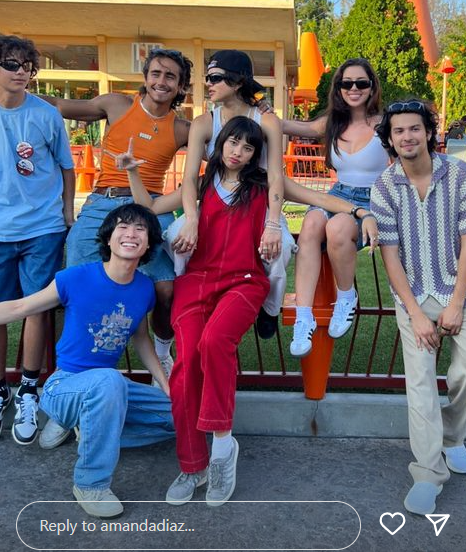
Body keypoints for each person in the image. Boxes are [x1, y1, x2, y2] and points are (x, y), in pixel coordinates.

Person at [170, 50, 378, 340]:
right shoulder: (205, 122)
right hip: (219, 196)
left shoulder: (265, 120)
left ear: (237, 81)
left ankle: (270, 307)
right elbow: (190, 178)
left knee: (280, 245)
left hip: (259, 195)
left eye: (216, 78)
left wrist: (272, 222)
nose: (208, 84)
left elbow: (276, 175)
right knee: (175, 236)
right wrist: (191, 218)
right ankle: (182, 296)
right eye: (208, 77)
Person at [119, 117, 271, 506]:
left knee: (215, 341)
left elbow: (310, 197)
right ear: (219, 144)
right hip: (197, 281)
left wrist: (359, 212)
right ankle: (192, 465)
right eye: (232, 142)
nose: (238, 151)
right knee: (186, 362)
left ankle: (222, 446)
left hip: (244, 281)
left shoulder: (263, 187)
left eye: (248, 147)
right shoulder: (201, 186)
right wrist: (134, 173)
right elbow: (151, 206)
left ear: (255, 155)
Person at [0, 203, 174, 517]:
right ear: (108, 237)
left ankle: (92, 429)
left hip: (108, 390)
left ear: (149, 243)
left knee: (182, 415)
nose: (131, 234)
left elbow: (141, 338)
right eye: (123, 226)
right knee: (109, 379)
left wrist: (166, 384)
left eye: (140, 229)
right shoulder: (75, 277)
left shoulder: (144, 289)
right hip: (63, 386)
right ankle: (90, 483)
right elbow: (20, 308)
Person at [41, 48, 192, 378]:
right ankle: (71, 369)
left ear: (181, 86)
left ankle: (162, 355)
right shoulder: (117, 104)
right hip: (102, 201)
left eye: (170, 76)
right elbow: (61, 106)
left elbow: (229, 146)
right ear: (146, 78)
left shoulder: (182, 128)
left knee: (166, 289)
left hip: (149, 206)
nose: (161, 81)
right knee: (75, 284)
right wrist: (15, 88)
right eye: (156, 73)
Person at [371, 99, 466, 516]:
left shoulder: (459, 174)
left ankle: (454, 436)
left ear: (429, 132)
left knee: (464, 374)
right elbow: (390, 256)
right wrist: (414, 312)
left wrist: (457, 303)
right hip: (413, 295)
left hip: (457, 288)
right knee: (421, 384)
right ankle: (427, 473)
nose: (407, 137)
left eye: (414, 128)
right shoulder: (384, 186)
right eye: (398, 131)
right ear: (390, 140)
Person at [283, 58, 387, 356]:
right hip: (338, 193)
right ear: (338, 88)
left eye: (361, 83)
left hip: (371, 198)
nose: (353, 88)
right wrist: (253, 107)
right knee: (311, 225)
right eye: (346, 83)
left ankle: (346, 296)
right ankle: (304, 315)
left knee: (339, 227)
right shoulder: (332, 123)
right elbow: (284, 125)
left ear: (372, 87)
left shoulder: (384, 124)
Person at [0, 35, 75, 445]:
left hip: (42, 227)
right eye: (11, 64)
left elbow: (67, 168)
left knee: (36, 307)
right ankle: (0, 390)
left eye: (27, 66)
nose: (21, 72)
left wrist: (66, 214)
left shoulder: (46, 115)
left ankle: (29, 389)